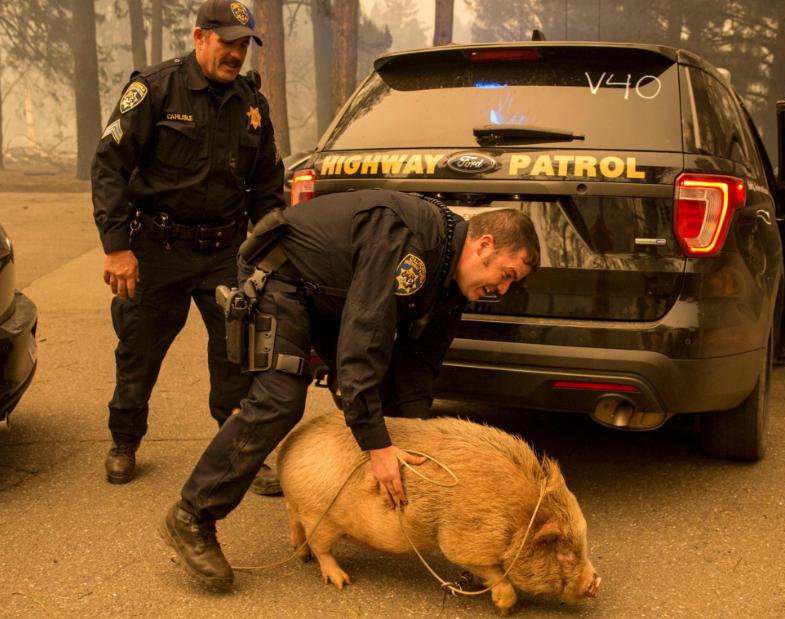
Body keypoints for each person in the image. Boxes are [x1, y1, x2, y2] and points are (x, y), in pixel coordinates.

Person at [159, 189, 541, 591]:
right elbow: (365, 337)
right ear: (484, 245)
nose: (501, 291)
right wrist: (378, 447)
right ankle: (192, 516)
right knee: (280, 399)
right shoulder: (410, 245)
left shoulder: (451, 280)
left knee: (382, 399)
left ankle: (364, 508)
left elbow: (418, 368)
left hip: (329, 294)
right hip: (281, 277)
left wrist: (414, 449)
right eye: (506, 275)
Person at [91, 0, 284, 494]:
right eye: (227, 42)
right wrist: (117, 247)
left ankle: (237, 451)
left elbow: (266, 186)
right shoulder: (155, 89)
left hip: (225, 251)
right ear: (200, 37)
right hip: (157, 246)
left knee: (237, 355)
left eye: (244, 45)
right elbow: (109, 166)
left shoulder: (252, 105)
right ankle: (124, 440)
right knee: (139, 349)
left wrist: (269, 257)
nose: (236, 54)